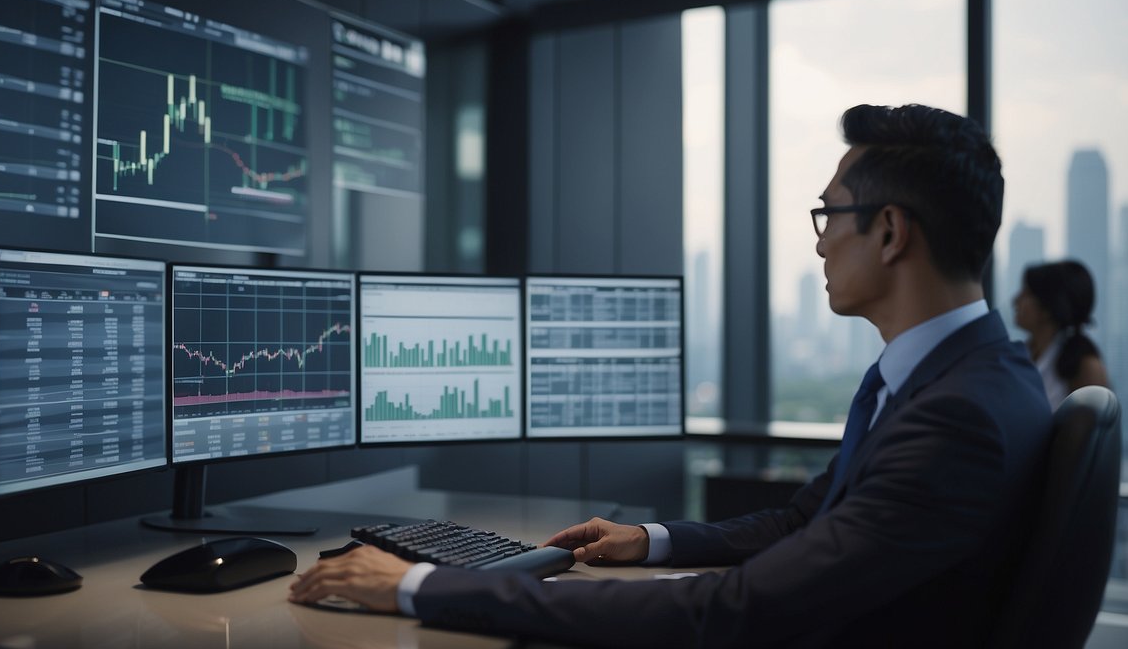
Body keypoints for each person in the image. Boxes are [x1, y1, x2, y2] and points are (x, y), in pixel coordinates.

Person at [290, 104, 1052, 647]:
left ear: (889, 232)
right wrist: (649, 541)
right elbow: (800, 525)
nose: (820, 247)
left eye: (829, 217)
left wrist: (416, 586)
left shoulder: (956, 420)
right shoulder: (964, 378)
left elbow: (735, 613)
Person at [1012, 259, 1111, 408]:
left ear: (1048, 307)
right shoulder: (1022, 353)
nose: (1016, 300)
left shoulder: (1085, 366)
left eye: (1026, 294)